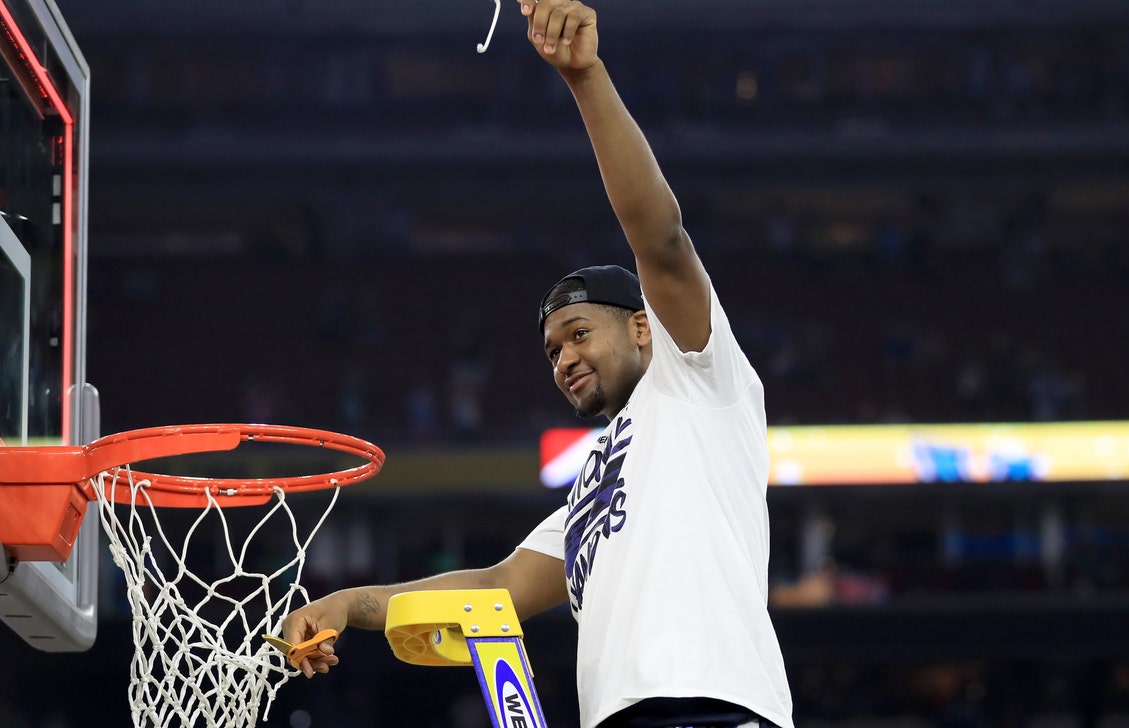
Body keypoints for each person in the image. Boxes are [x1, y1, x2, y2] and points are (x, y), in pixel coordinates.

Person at [281, 2, 795, 726]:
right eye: (553, 351)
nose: (565, 359)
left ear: (645, 327)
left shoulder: (698, 378)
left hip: (717, 711)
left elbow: (663, 239)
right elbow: (495, 587)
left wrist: (585, 77)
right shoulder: (594, 483)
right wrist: (349, 605)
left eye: (580, 333)